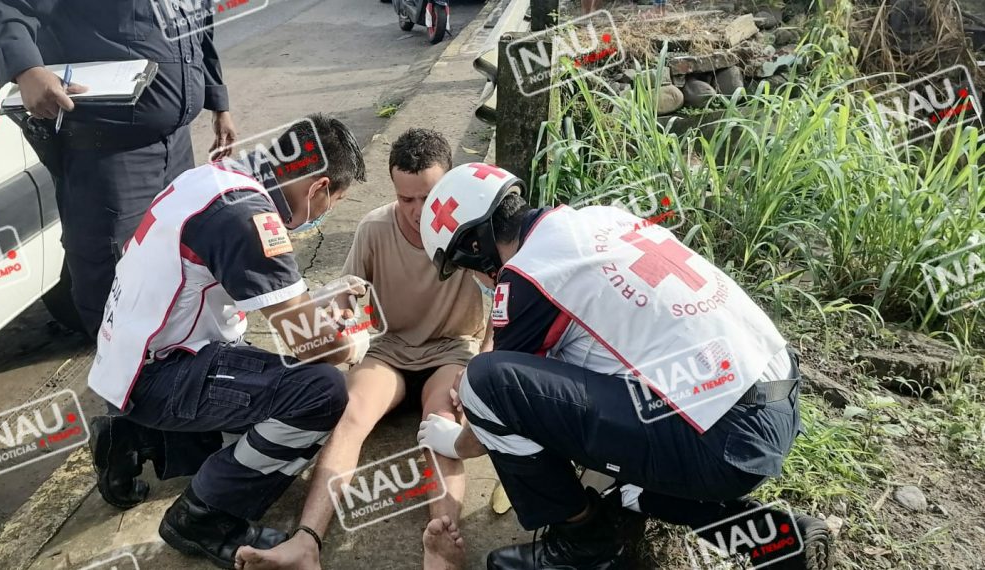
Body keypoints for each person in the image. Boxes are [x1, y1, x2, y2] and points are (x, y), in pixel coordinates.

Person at [415, 163, 833, 569]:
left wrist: (455, 442)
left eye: (465, 268)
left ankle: (580, 544)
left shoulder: (526, 275)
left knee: (482, 385)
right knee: (620, 488)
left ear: (475, 247)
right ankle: (781, 541)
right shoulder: (599, 219)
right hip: (774, 397)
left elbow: (500, 396)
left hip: (720, 435)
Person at [85, 114, 368, 568]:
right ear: (317, 188)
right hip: (161, 373)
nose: (327, 213)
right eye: (334, 201)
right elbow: (314, 347)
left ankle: (136, 437)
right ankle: (204, 515)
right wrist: (355, 341)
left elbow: (271, 296)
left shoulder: (222, 178)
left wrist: (318, 303)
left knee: (256, 403)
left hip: (131, 360)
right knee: (319, 393)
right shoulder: (251, 218)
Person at [236, 129, 492, 570]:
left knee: (441, 421)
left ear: (449, 186)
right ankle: (306, 541)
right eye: (404, 199)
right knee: (350, 411)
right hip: (389, 348)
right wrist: (339, 320)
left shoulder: (473, 229)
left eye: (427, 198)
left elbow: (505, 307)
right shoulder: (374, 227)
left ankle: (443, 544)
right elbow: (352, 305)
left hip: (452, 350)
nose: (415, 212)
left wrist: (482, 366)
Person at [0, 0, 239, 336]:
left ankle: (169, 352)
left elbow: (197, 25)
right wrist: (26, 69)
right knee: (115, 280)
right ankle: (121, 371)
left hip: (177, 144)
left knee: (174, 258)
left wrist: (219, 102)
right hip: (110, 150)